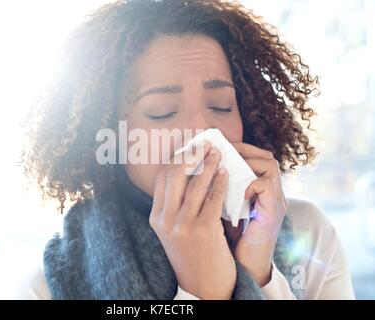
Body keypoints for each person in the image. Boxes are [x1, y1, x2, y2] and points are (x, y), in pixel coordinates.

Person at [18, 0, 354, 299]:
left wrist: (258, 274)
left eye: (222, 106)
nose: (202, 130)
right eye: (162, 111)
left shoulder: (309, 233)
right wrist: (206, 292)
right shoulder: (46, 289)